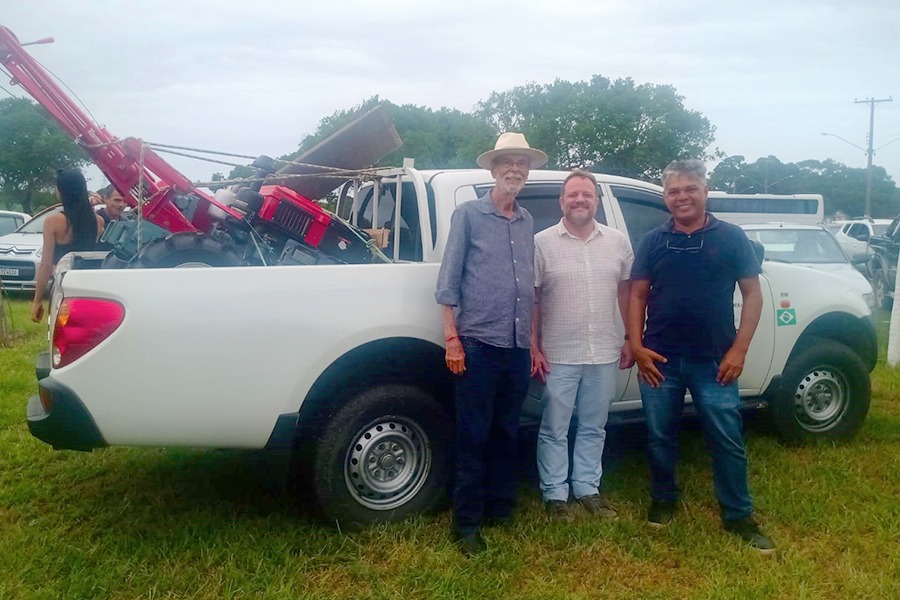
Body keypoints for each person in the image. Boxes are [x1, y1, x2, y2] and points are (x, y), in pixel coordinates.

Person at [627, 159, 775, 553]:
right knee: (660, 436)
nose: (682, 197)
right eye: (674, 191)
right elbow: (637, 294)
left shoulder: (731, 237)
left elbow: (753, 294)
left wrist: (739, 350)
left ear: (705, 191)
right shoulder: (653, 240)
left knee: (726, 438)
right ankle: (663, 499)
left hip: (715, 360)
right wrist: (637, 346)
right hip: (659, 359)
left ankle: (738, 515)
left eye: (690, 188)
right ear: (665, 197)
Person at [435, 132, 547, 556]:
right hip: (478, 343)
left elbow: (529, 290)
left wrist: (533, 343)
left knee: (506, 430)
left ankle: (500, 507)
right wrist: (452, 339)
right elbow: (448, 282)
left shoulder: (527, 222)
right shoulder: (468, 215)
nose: (514, 169)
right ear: (493, 169)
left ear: (528, 170)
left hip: (516, 346)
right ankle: (465, 524)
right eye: (507, 162)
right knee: (474, 433)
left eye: (521, 162)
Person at [531, 169, 633, 522]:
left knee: (594, 426)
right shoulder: (542, 243)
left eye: (586, 195)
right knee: (554, 427)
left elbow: (626, 292)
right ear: (561, 201)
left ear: (596, 200)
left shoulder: (618, 242)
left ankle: (588, 488)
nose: (579, 200)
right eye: (572, 194)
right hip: (558, 352)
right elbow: (533, 298)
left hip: (604, 351)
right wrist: (534, 346)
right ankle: (555, 495)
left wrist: (631, 338)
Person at [30, 169, 105, 322]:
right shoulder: (98, 222)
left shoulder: (53, 222)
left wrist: (37, 300)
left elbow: (45, 265)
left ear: (60, 191)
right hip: (89, 288)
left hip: (63, 288)